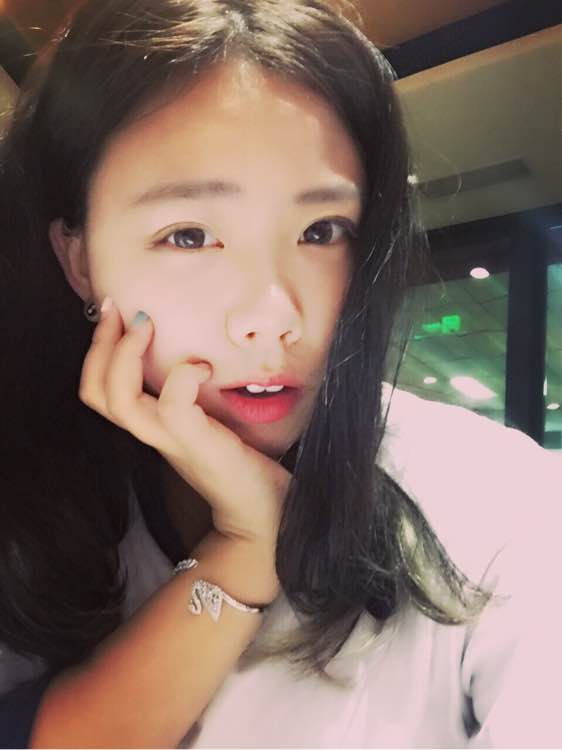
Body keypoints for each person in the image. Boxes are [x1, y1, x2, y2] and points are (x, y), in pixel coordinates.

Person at [0, 0, 560, 747]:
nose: (273, 316)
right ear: (78, 259)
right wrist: (243, 543)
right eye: (189, 235)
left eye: (321, 231)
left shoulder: (501, 508)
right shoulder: (35, 504)